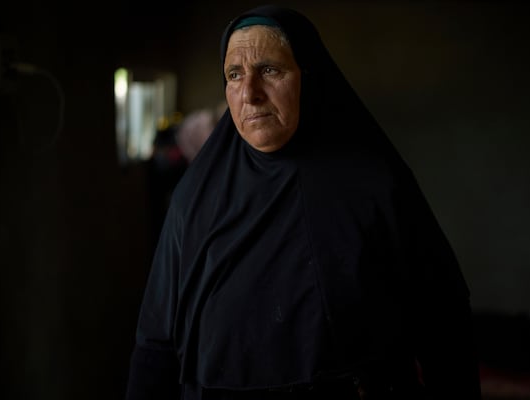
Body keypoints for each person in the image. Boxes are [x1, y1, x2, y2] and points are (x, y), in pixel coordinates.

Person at [125, 5, 482, 400]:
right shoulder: (194, 197)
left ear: (309, 77)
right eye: (234, 75)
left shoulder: (374, 185)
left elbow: (444, 322)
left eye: (270, 70)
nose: (250, 93)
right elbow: (156, 344)